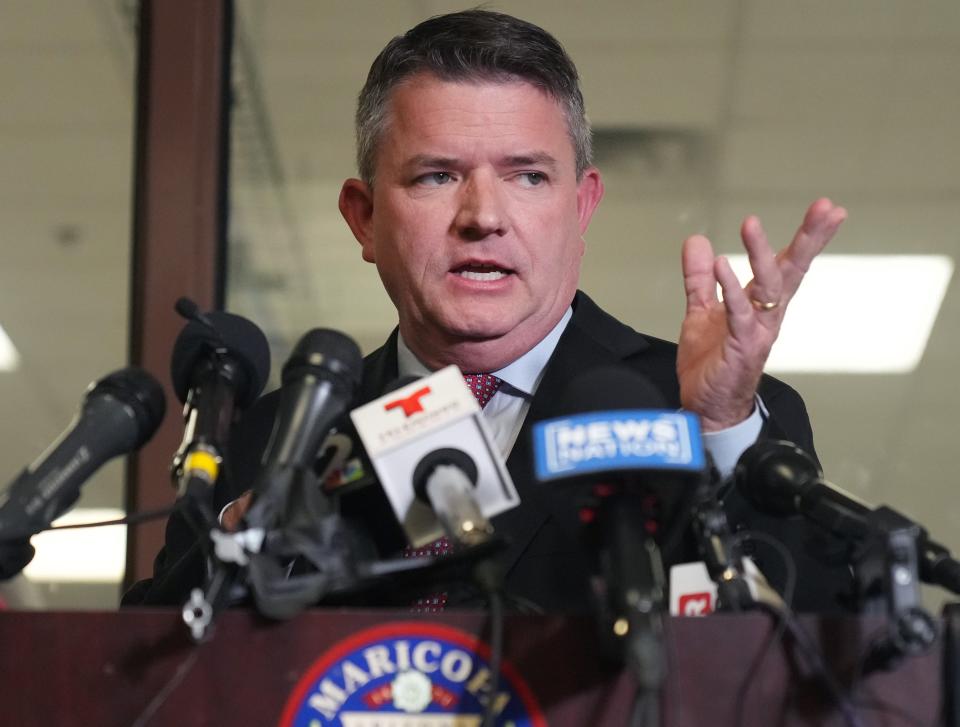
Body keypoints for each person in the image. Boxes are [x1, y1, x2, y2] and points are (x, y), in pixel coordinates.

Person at [125, 10, 852, 612]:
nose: (483, 216)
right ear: (364, 217)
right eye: (437, 175)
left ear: (581, 206)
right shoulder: (275, 438)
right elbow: (146, 672)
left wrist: (722, 430)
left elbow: (810, 648)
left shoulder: (698, 410)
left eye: (527, 176)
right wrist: (242, 531)